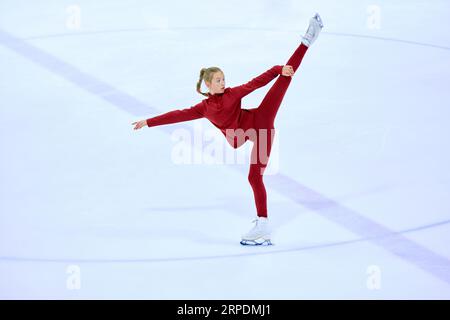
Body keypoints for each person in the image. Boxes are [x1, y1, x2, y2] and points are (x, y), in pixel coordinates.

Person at [132, 13, 324, 245]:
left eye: (223, 78)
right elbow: (178, 115)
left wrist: (277, 69)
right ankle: (261, 224)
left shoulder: (232, 94)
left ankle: (306, 41)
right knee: (253, 174)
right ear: (208, 85)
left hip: (260, 124)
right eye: (219, 80)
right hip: (241, 135)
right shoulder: (203, 108)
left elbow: (255, 83)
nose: (224, 82)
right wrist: (149, 121)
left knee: (255, 176)